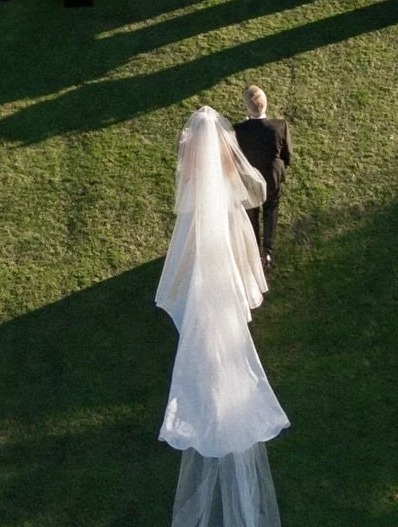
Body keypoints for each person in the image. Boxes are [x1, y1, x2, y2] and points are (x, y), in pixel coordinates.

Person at [156, 108, 289, 520]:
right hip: (227, 247)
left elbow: (186, 229)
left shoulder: (195, 179)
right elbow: (247, 199)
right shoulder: (229, 177)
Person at [233, 86, 293, 272]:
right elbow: (287, 155)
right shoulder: (279, 126)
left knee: (252, 214)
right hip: (272, 179)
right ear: (265, 104)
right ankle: (267, 252)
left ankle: (254, 251)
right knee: (270, 212)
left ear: (247, 107)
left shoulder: (238, 130)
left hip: (250, 181)